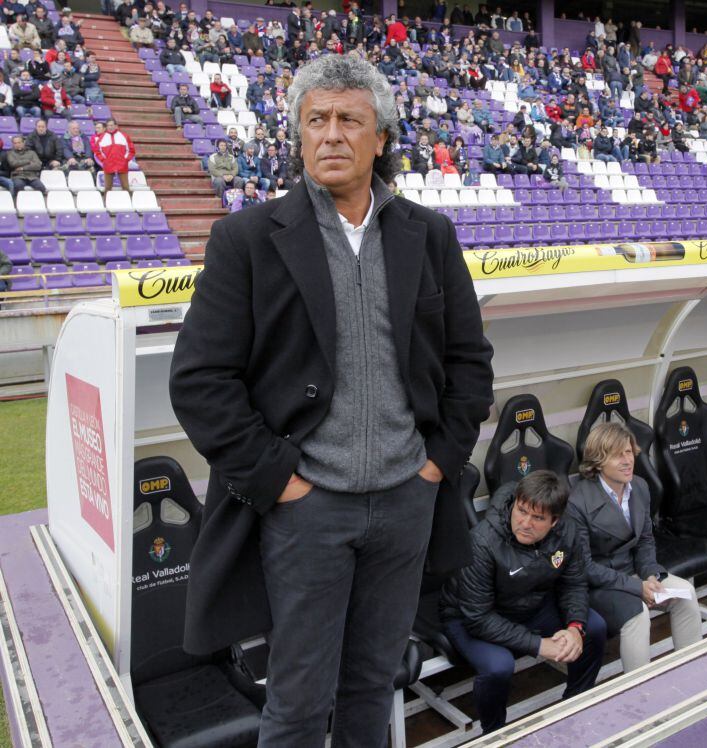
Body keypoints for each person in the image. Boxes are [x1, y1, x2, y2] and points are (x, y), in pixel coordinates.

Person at [168, 54, 494, 746]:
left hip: (407, 500)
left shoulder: (428, 235)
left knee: (373, 688)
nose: (332, 135)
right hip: (307, 512)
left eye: (350, 120)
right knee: (297, 701)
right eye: (316, 120)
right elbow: (200, 382)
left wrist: (437, 463)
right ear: (298, 135)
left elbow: (469, 362)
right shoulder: (247, 240)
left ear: (381, 139)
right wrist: (282, 483)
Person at [440, 471, 607, 734]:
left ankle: (575, 706)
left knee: (593, 628)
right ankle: (494, 735)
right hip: (470, 616)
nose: (525, 523)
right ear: (515, 503)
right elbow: (478, 618)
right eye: (521, 511)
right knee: (498, 667)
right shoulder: (482, 541)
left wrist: (575, 627)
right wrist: (540, 645)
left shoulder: (567, 531)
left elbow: (573, 583)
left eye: (538, 518)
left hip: (530, 603)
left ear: (555, 521)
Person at [568, 423, 701, 674]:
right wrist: (637, 587)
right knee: (637, 614)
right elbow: (584, 567)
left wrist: (650, 574)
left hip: (637, 573)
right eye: (618, 455)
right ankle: (639, 690)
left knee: (686, 594)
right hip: (600, 584)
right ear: (598, 460)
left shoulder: (639, 487)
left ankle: (691, 671)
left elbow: (645, 539)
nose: (627, 460)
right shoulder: (577, 502)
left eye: (629, 452)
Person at [94, 119, 135, 191]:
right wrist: (104, 160)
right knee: (107, 188)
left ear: (116, 126)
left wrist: (125, 160)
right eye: (108, 125)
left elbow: (131, 150)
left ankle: (128, 201)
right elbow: (97, 151)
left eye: (111, 125)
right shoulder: (101, 138)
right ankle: (106, 202)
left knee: (125, 187)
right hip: (108, 165)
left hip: (122, 165)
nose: (110, 127)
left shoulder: (124, 136)